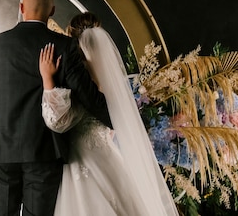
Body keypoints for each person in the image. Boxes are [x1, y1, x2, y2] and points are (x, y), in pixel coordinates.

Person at [0, 0, 111, 216]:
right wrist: (124, 122)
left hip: (0, 150)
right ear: (52, 11)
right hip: (43, 151)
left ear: (21, 7)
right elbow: (87, 95)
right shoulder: (65, 46)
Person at [39, 12, 179, 216]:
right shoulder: (108, 82)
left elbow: (59, 122)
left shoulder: (83, 85)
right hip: (107, 156)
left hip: (85, 160)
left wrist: (48, 80)